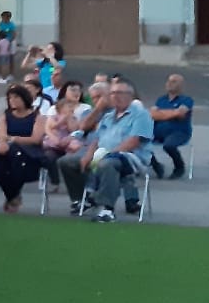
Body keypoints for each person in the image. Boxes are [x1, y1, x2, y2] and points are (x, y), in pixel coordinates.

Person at [56, 77, 153, 221]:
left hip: (131, 158)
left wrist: (107, 154)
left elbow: (134, 141)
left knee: (107, 163)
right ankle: (82, 199)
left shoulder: (141, 115)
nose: (115, 96)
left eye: (120, 93)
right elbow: (97, 139)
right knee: (67, 161)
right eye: (112, 93)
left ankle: (107, 209)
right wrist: (88, 155)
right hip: (102, 155)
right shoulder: (108, 117)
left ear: (130, 96)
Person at [0, 84, 47, 212]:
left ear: (24, 98)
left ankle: (11, 197)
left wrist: (14, 139)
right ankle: (13, 196)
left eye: (16, 97)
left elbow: (35, 139)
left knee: (17, 159)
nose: (12, 100)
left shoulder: (37, 117)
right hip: (7, 151)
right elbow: (1, 134)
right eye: (10, 98)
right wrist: (3, 141)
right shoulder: (5, 116)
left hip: (29, 153)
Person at [150, 73, 193, 179]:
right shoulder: (161, 100)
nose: (169, 83)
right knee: (139, 141)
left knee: (169, 145)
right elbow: (152, 115)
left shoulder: (186, 100)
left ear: (181, 85)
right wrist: (172, 113)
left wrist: (161, 114)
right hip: (158, 131)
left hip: (179, 132)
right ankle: (156, 166)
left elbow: (180, 113)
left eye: (174, 81)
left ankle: (179, 167)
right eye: (168, 81)